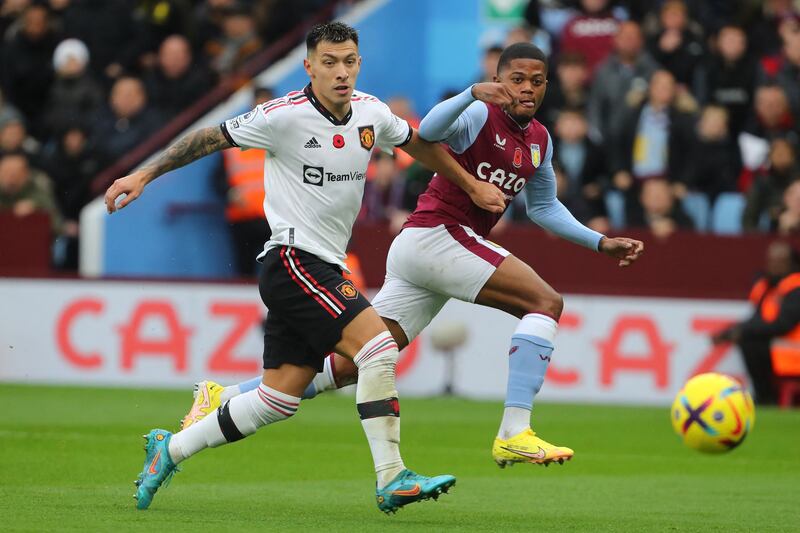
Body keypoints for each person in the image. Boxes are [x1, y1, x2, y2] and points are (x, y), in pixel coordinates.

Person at [105, 22, 508, 513]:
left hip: (320, 263)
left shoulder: (372, 112)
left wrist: (470, 185)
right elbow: (209, 138)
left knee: (278, 399)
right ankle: (392, 477)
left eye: (350, 61)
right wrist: (142, 174)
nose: (342, 72)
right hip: (293, 259)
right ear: (309, 67)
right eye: (331, 62)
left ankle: (168, 450)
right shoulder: (282, 116)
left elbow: (417, 144)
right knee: (377, 346)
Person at [187, 43, 644, 469]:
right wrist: (471, 93)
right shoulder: (479, 114)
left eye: (537, 81)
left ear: (547, 86)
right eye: (517, 79)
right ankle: (515, 430)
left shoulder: (540, 139)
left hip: (424, 252)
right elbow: (429, 132)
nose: (526, 88)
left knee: (351, 365)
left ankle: (223, 395)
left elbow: (543, 207)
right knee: (545, 303)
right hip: (438, 234)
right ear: (499, 79)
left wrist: (599, 242)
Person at [712, 241, 800, 405]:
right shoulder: (768, 287)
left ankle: (766, 396)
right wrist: (731, 331)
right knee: (747, 340)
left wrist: (743, 332)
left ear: (792, 263)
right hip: (779, 349)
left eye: (780, 261)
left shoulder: (796, 287)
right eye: (771, 261)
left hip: (793, 352)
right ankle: (763, 394)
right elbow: (758, 319)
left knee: (750, 342)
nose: (774, 266)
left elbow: (783, 324)